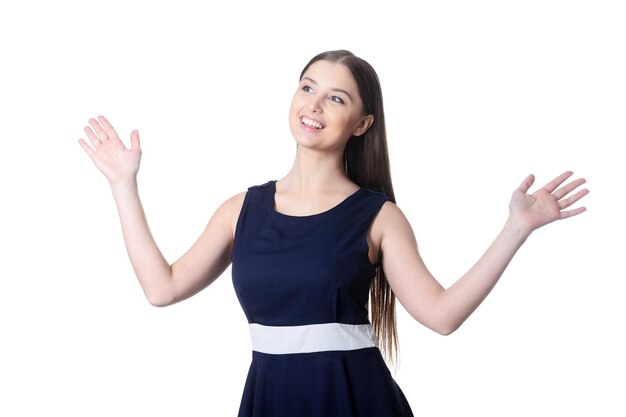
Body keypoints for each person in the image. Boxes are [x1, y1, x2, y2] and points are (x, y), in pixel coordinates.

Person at [77, 50, 589, 417]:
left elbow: (442, 315)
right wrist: (124, 185)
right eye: (307, 88)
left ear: (362, 123)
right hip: (269, 400)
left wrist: (516, 229)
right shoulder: (242, 209)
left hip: (353, 399)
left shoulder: (377, 216)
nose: (314, 106)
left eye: (336, 98)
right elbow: (161, 288)